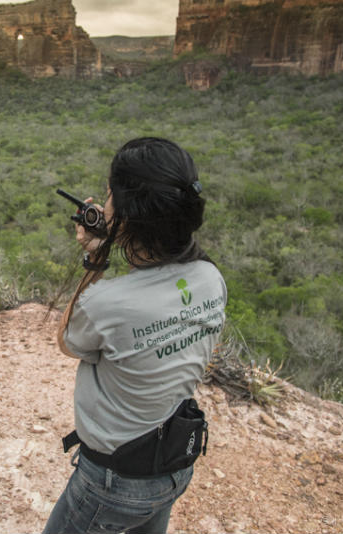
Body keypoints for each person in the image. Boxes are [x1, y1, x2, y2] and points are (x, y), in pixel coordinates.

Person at [43, 137, 227, 534]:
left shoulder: (108, 302)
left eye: (110, 196)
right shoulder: (211, 278)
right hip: (174, 463)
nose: (105, 203)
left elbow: (68, 341)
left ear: (126, 215)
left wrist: (97, 255)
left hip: (113, 483)